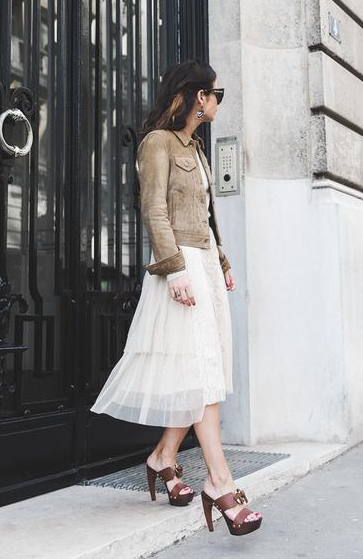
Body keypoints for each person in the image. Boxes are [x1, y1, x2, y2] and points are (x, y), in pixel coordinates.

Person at [90, 59, 262, 536]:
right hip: (179, 267)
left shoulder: (198, 149)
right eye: (215, 93)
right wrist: (175, 271)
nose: (218, 101)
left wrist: (221, 264)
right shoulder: (157, 144)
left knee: (203, 370)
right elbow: (155, 212)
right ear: (196, 96)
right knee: (203, 373)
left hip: (203, 264)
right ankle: (220, 484)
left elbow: (206, 216)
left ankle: (164, 458)